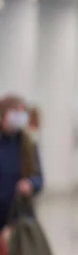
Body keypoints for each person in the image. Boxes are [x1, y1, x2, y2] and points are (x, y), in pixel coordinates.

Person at [0, 95, 43, 232]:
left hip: (18, 217)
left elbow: (39, 179)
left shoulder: (28, 145)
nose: (19, 117)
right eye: (14, 112)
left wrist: (30, 183)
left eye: (22, 112)